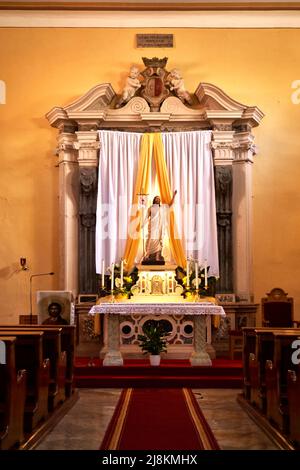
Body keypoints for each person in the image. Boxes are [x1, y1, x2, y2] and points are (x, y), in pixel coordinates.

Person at [142, 190, 177, 265]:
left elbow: (170, 205)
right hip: (152, 226)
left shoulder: (162, 208)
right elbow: (146, 217)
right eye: (156, 199)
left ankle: (158, 256)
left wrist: (174, 196)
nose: (157, 200)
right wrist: (142, 224)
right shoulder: (150, 208)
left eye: (159, 199)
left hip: (159, 227)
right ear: (154, 200)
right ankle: (147, 254)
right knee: (151, 240)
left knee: (158, 241)